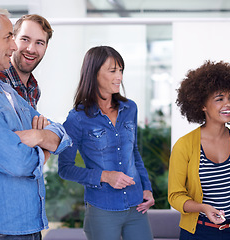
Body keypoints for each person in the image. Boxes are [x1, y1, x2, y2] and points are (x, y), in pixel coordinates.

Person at [0, 6, 71, 240]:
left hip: (28, 226)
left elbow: (61, 134)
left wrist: (38, 137)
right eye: (9, 37)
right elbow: (18, 161)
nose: (14, 46)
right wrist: (44, 152)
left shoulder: (5, 91)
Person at [58, 46, 154, 240]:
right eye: (112, 71)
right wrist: (104, 176)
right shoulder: (77, 118)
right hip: (102, 209)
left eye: (121, 71)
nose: (119, 77)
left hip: (137, 207)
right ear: (94, 74)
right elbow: (65, 168)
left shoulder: (130, 108)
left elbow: (133, 152)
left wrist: (147, 187)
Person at [168, 60, 230, 240]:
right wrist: (202, 207)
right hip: (198, 232)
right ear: (202, 105)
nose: (228, 104)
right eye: (219, 99)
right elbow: (175, 196)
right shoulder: (184, 146)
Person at [0, 14, 53, 109]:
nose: (31, 49)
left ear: (46, 47)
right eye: (25, 39)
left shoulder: (34, 88)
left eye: (39, 43)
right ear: (13, 39)